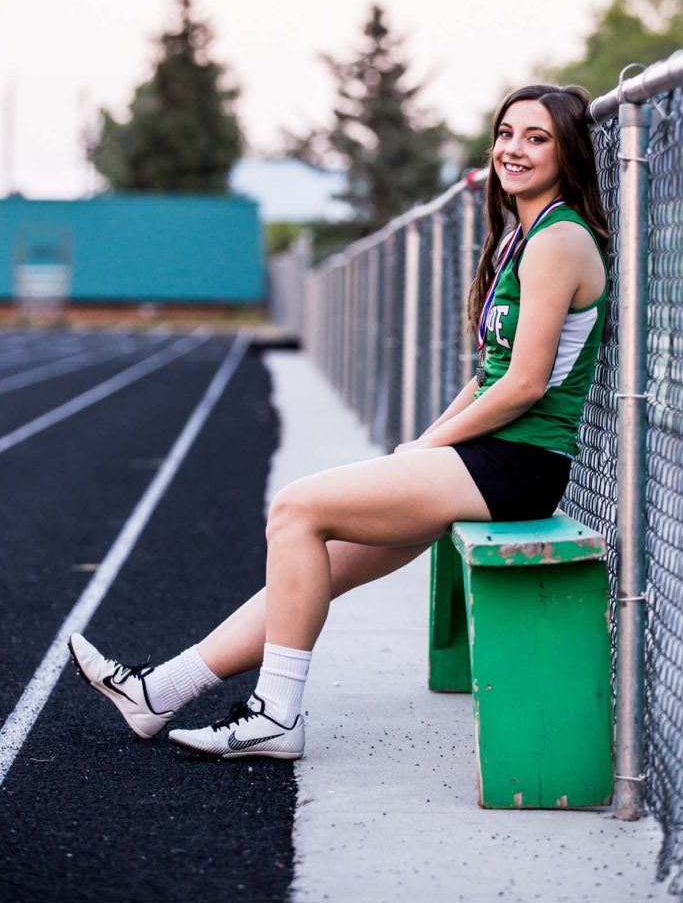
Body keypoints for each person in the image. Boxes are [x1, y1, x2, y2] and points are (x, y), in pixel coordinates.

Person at [69, 83, 609, 761]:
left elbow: (526, 386)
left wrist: (425, 449)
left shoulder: (559, 240)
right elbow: (490, 374)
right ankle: (159, 695)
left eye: (537, 137)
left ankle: (275, 716)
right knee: (315, 562)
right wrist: (423, 444)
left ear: (568, 152)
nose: (514, 149)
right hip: (486, 457)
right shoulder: (520, 238)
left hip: (517, 464)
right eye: (506, 133)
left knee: (295, 510)